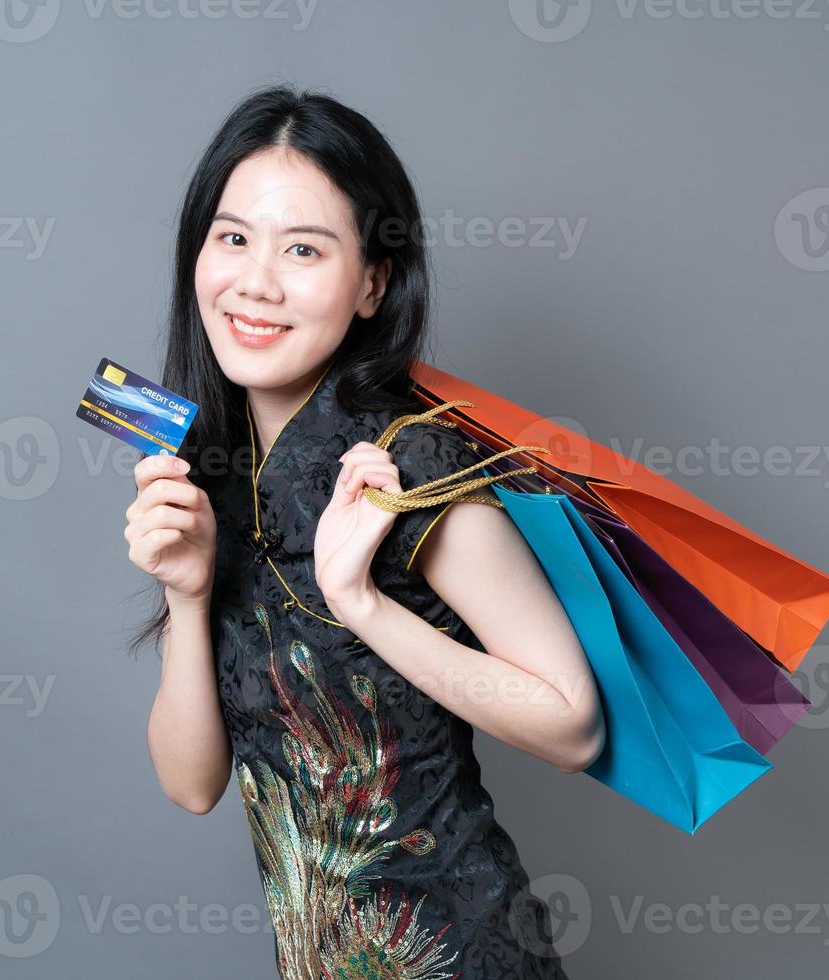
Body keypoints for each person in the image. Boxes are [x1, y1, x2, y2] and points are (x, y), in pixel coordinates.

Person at [123, 83, 604, 978]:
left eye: (303, 249)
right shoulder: (212, 477)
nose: (255, 282)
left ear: (373, 282)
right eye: (232, 238)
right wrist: (188, 595)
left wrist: (363, 602)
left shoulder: (405, 464)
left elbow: (573, 726)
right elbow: (192, 787)